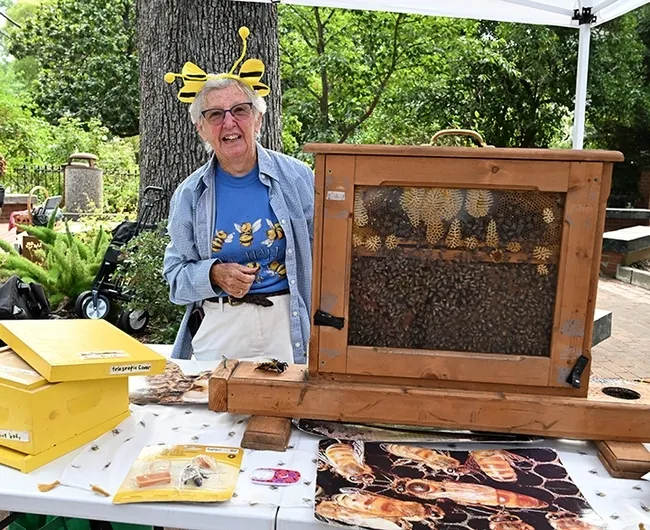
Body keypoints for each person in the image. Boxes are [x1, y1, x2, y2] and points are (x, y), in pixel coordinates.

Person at [162, 27, 314, 365]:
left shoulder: (299, 178)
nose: (229, 122)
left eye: (240, 110)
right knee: (214, 415)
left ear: (258, 119)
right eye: (215, 115)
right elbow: (175, 279)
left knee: (288, 415)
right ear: (200, 128)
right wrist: (214, 275)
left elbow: (330, 255)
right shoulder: (190, 194)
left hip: (287, 324)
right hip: (221, 325)